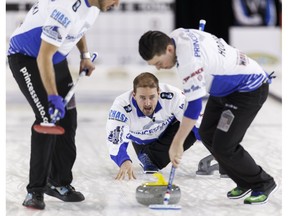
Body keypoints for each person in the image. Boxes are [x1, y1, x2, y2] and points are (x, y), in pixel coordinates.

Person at [138, 28, 277, 205]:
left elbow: (194, 107)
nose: (158, 68)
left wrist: (177, 142)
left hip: (248, 89)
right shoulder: (176, 35)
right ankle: (244, 181)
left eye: (158, 62)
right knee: (207, 134)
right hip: (223, 87)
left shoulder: (189, 62)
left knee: (225, 145)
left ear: (169, 50)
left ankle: (263, 182)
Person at [7, 0, 120, 210]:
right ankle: (35, 191)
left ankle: (58, 183)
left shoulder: (95, 6)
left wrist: (84, 56)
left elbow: (79, 28)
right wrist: (52, 96)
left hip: (56, 59)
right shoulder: (65, 8)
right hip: (28, 58)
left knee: (69, 118)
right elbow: (43, 56)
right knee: (47, 119)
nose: (118, 2)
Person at [106, 72, 201, 180]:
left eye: (152, 97)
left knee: (190, 126)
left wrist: (216, 148)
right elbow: (115, 140)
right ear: (134, 95)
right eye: (142, 97)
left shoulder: (173, 96)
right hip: (142, 142)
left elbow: (197, 123)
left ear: (159, 93)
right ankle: (148, 156)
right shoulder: (121, 107)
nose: (147, 103)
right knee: (151, 160)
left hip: (168, 131)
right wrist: (124, 161)